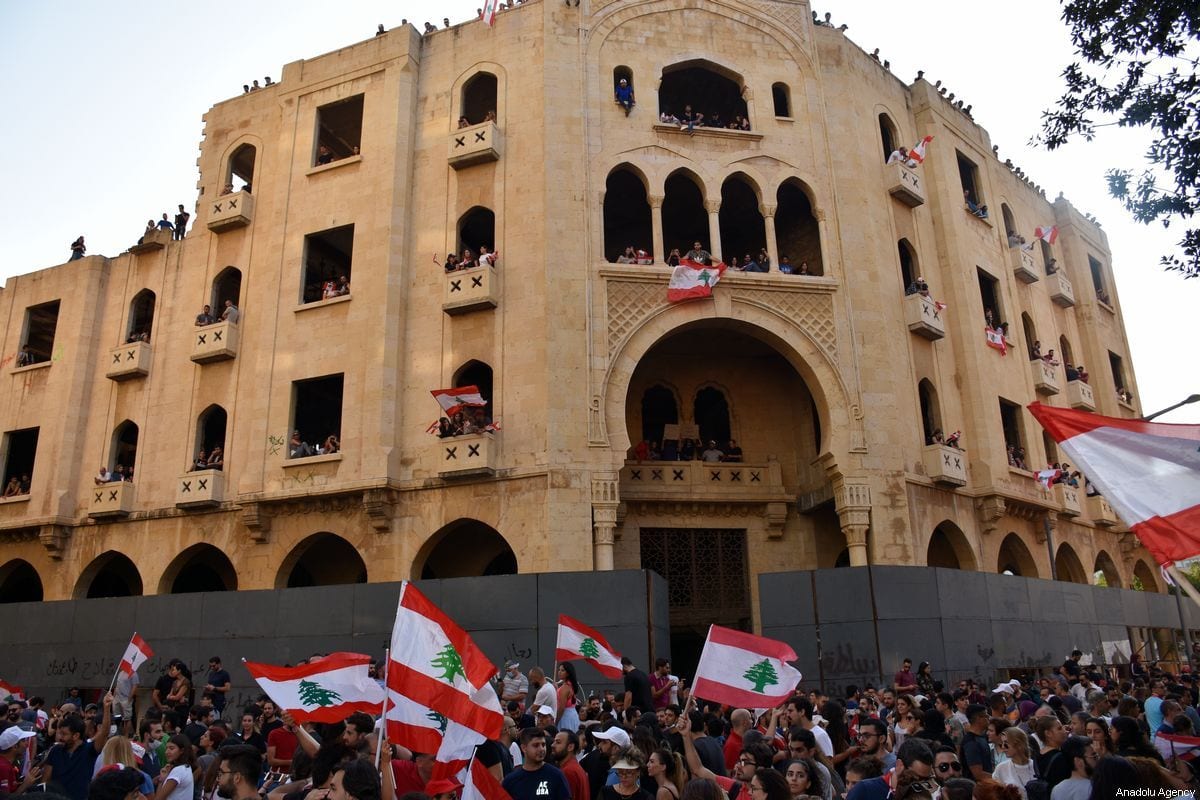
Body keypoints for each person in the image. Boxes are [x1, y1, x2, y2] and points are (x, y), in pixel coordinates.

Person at [44, 692, 114, 800]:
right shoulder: (55, 751)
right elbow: (46, 780)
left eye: (64, 734)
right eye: (60, 733)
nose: (60, 737)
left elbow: (104, 733)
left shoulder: (89, 750)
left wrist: (106, 708)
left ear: (76, 735)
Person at [502, 729, 571, 800]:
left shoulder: (556, 775)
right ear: (524, 748)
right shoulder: (511, 780)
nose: (541, 749)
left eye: (543, 745)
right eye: (536, 745)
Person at [153, 734, 196, 800]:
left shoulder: (178, 771)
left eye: (171, 748)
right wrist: (162, 778)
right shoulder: (186, 768)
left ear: (182, 750)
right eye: (166, 748)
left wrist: (161, 781)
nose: (167, 752)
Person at [556, 663, 581, 732]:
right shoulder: (570, 685)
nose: (559, 672)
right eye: (559, 670)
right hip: (572, 715)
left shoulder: (565, 688)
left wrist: (555, 721)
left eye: (562, 670)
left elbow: (561, 708)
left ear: (568, 673)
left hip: (565, 717)